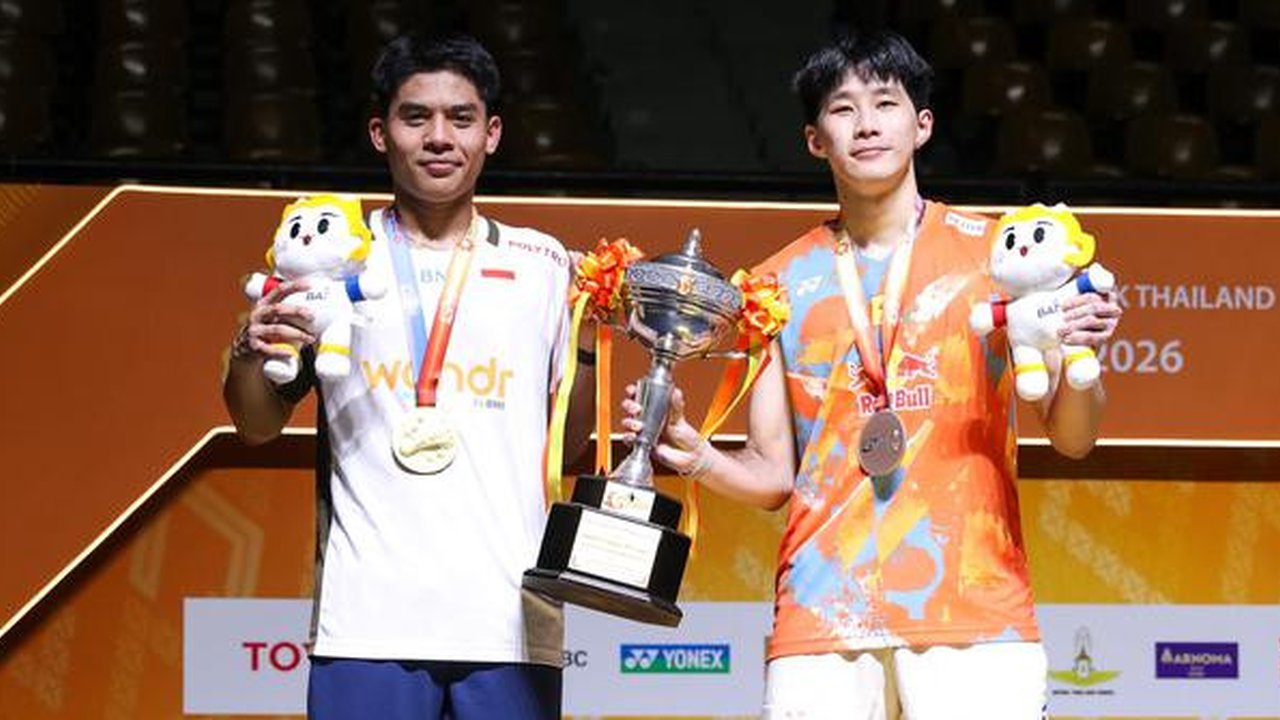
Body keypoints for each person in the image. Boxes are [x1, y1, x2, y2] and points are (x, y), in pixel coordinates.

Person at [623, 31, 1123, 719]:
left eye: (885, 103)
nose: (865, 123)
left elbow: (1072, 437)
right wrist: (696, 452)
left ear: (922, 126)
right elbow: (775, 476)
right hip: (822, 615)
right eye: (842, 108)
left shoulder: (998, 257)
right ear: (813, 139)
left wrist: (1084, 365)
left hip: (974, 609)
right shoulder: (774, 286)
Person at [223, 33, 593, 720]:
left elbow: (566, 447)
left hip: (510, 620)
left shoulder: (546, 266)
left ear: (493, 133)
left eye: (461, 117)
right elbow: (255, 424)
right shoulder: (329, 257)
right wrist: (250, 347)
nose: (438, 137)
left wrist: (592, 340)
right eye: (414, 116)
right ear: (379, 132)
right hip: (366, 620)